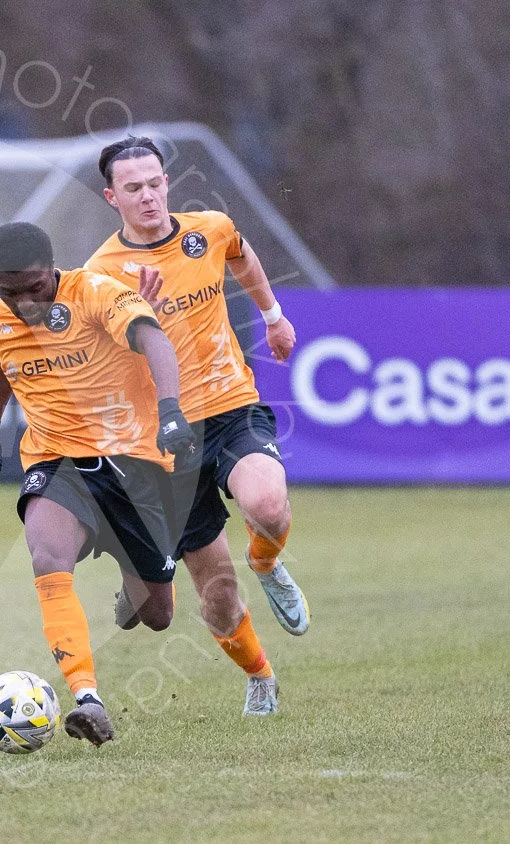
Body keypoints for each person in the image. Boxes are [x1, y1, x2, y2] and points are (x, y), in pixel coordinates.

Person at [83, 135, 311, 716]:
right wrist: (142, 320)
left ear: (167, 181)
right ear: (113, 197)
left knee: (267, 505)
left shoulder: (206, 229)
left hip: (231, 405)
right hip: (164, 438)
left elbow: (241, 252)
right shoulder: (101, 272)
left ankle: (266, 559)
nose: (149, 196)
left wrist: (274, 316)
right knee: (218, 596)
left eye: (155, 182)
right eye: (133, 188)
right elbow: (96, 364)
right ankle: (260, 675)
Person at [0, 221, 197, 746]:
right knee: (47, 558)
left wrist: (171, 411)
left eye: (35, 290)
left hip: (133, 464)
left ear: (53, 270)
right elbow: (1, 364)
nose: (25, 304)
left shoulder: (96, 292)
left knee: (159, 616)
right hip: (55, 461)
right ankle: (88, 700)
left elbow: (154, 339)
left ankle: (129, 579)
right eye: (10, 293)